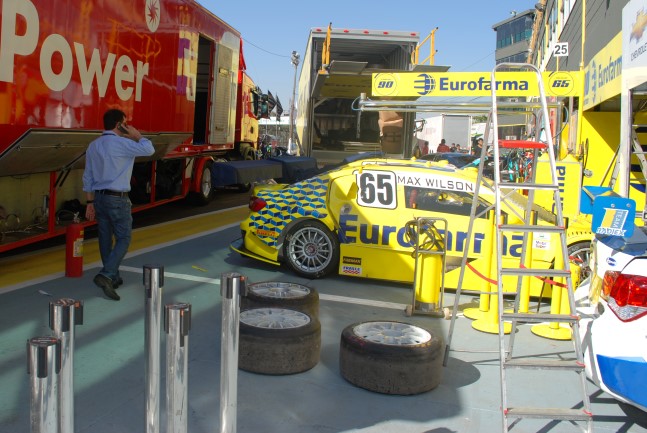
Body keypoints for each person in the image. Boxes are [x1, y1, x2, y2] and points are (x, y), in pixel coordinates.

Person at [83, 109, 155, 301]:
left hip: (99, 198)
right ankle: (106, 274)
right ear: (118, 125)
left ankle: (112, 277)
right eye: (126, 122)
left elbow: (88, 177)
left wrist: (89, 202)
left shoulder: (93, 146)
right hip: (118, 199)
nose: (128, 125)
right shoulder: (124, 143)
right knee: (124, 238)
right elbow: (149, 150)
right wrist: (137, 135)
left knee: (105, 238)